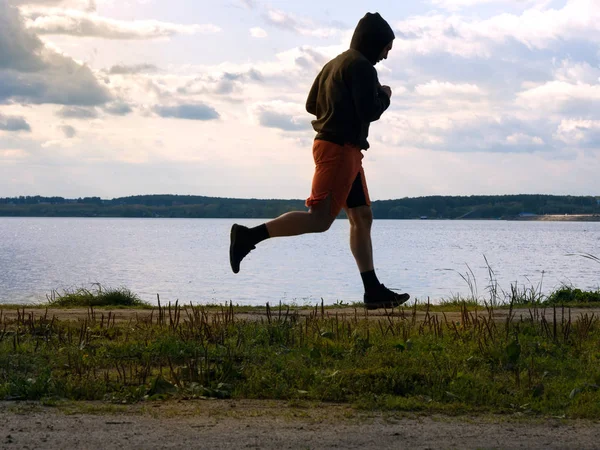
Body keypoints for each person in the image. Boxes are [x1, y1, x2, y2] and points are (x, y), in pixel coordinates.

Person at [229, 12, 410, 310]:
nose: (387, 55)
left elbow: (311, 105)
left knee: (362, 217)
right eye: (386, 47)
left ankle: (373, 291)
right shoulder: (362, 67)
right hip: (338, 150)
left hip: (344, 149)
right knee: (319, 219)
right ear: (375, 41)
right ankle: (247, 236)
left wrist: (338, 111)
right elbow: (370, 111)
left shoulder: (334, 64)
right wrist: (385, 95)